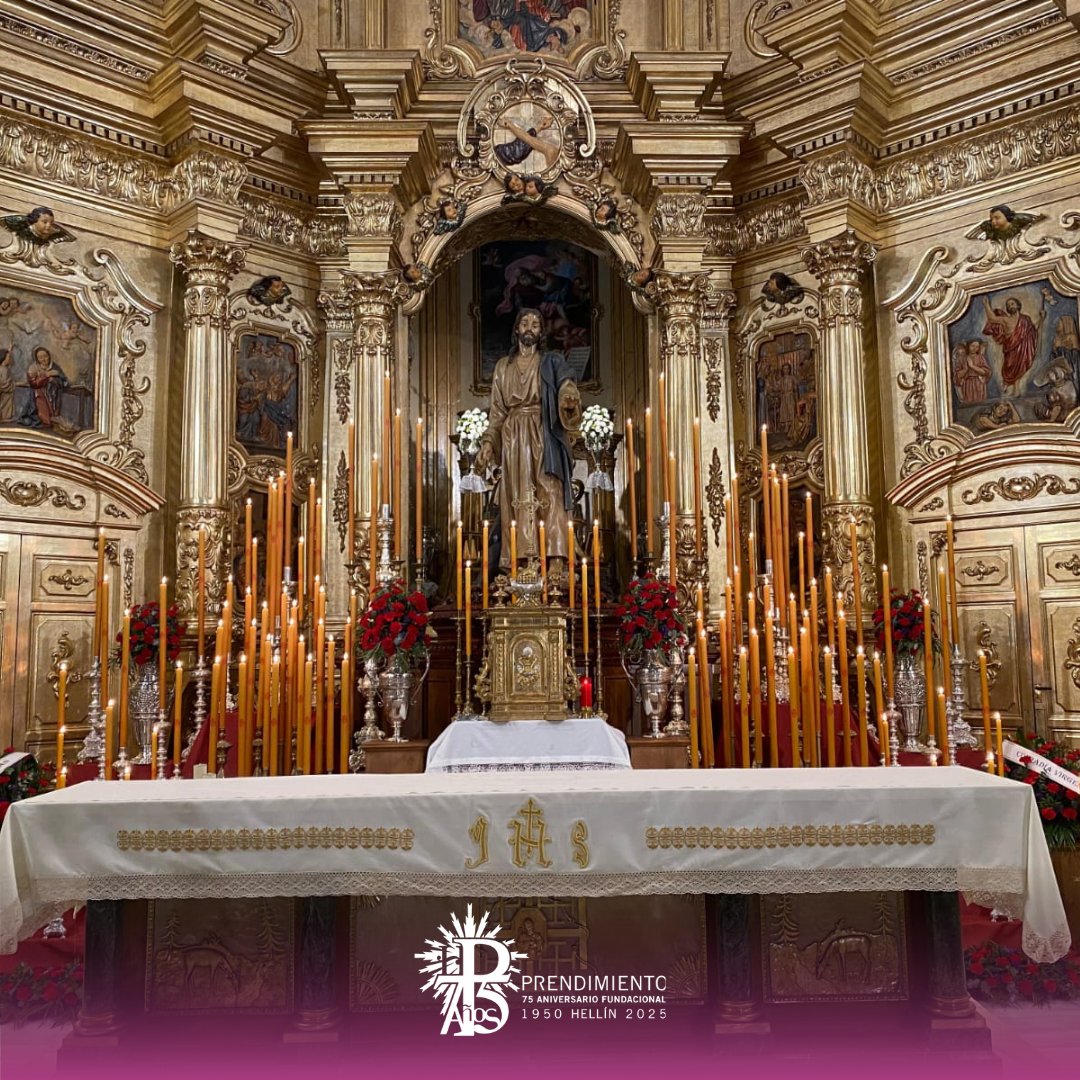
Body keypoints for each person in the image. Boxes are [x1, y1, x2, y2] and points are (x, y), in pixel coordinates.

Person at [475, 308, 581, 571]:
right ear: (517, 329)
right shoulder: (503, 367)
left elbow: (566, 382)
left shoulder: (551, 361)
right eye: (525, 323)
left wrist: (567, 394)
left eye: (536, 324)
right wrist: (488, 443)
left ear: (541, 332)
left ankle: (556, 559)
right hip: (513, 435)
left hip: (543, 429)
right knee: (519, 496)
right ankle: (521, 560)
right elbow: (497, 411)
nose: (530, 328)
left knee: (551, 491)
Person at [982, 295, 1044, 391]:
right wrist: (986, 304)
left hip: (1022, 349)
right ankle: (1006, 383)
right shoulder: (1006, 319)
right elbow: (992, 319)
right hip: (1010, 348)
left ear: (1018, 305)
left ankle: (1016, 389)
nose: (1010, 306)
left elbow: (1033, 330)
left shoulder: (1025, 319)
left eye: (1012, 303)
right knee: (1009, 367)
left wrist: (1041, 319)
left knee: (1020, 366)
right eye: (1008, 305)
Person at [24, 346, 68, 429]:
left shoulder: (55, 367)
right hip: (39, 395)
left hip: (54, 395)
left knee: (55, 416)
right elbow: (34, 384)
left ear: (49, 356)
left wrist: (55, 378)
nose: (43, 359)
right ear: (37, 359)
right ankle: (44, 420)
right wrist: (46, 376)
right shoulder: (33, 368)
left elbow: (65, 382)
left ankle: (55, 420)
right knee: (44, 416)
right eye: (40, 357)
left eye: (45, 356)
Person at [0, 348, 13, 422]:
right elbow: (4, 383)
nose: (10, 359)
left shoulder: (4, 368)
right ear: (3, 358)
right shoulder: (3, 369)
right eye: (9, 357)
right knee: (4, 404)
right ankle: (4, 418)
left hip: (5, 391)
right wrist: (11, 382)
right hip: (5, 392)